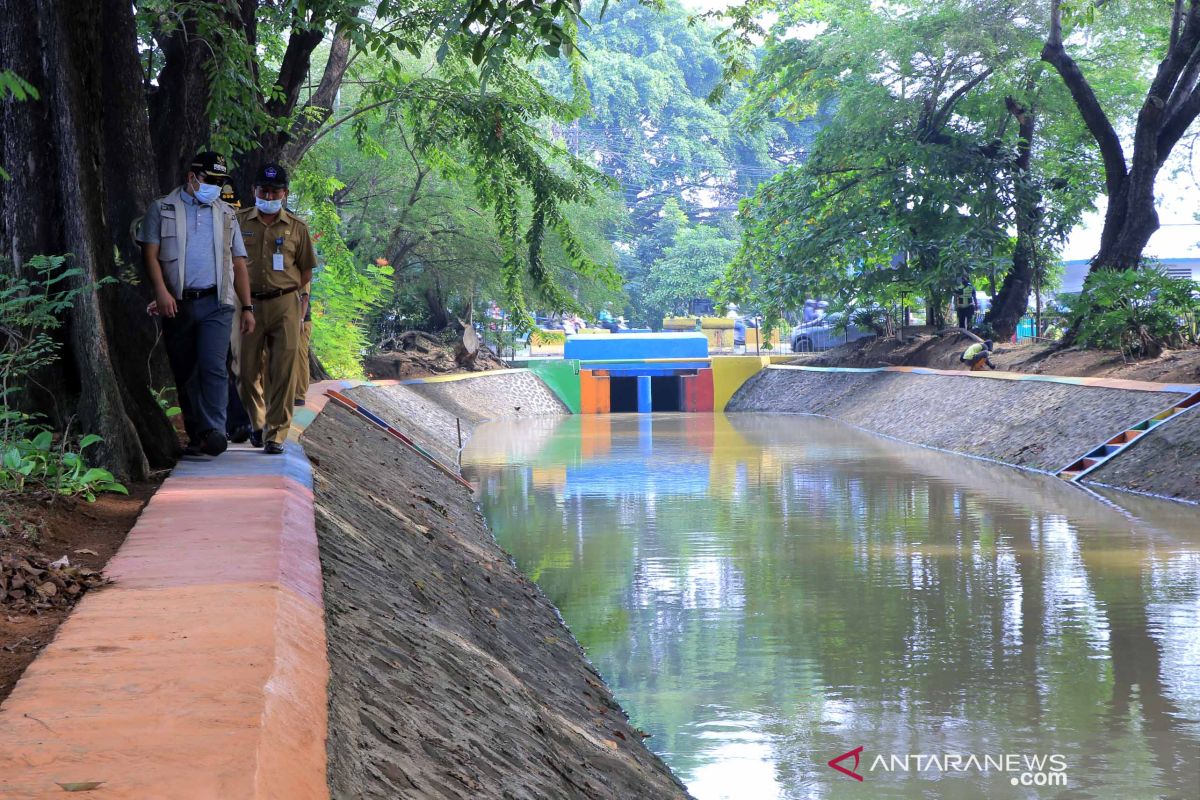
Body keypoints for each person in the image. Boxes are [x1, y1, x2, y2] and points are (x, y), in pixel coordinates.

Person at [138, 151, 255, 457]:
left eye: (219, 183)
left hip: (217, 301)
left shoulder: (226, 213)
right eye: (209, 181)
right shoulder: (162, 209)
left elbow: (240, 263)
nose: (214, 188)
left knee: (214, 366)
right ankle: (197, 433)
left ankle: (216, 430)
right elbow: (150, 254)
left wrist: (247, 306)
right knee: (185, 370)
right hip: (178, 302)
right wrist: (161, 292)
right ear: (192, 177)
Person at [236, 163, 317, 455]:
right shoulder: (238, 221)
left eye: (274, 191)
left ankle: (276, 435)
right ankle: (257, 423)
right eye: (263, 190)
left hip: (285, 304)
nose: (267, 195)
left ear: (284, 193)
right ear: (254, 191)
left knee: (283, 371)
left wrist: (293, 297)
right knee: (245, 373)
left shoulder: (298, 228)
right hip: (249, 305)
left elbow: (306, 271)